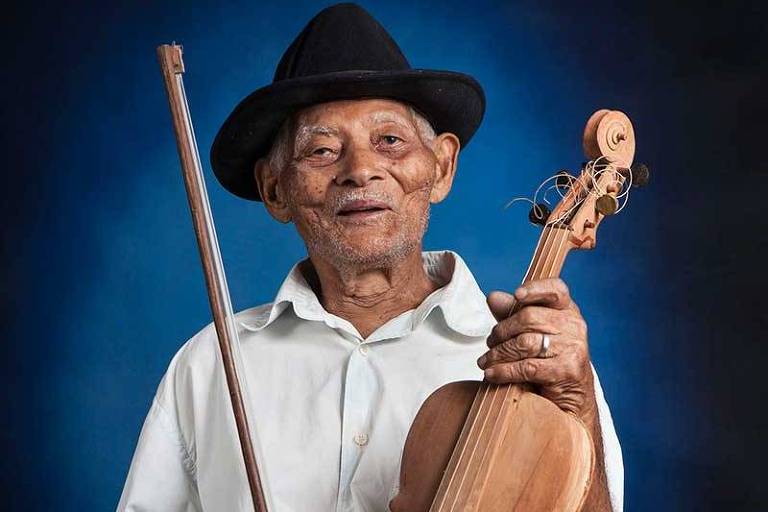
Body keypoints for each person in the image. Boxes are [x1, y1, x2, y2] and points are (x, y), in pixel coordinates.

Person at [119, 3, 623, 511]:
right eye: (321, 151)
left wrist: (575, 409)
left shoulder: (537, 365)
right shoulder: (208, 366)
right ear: (275, 190)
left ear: (441, 167)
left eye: (389, 141)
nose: (360, 170)